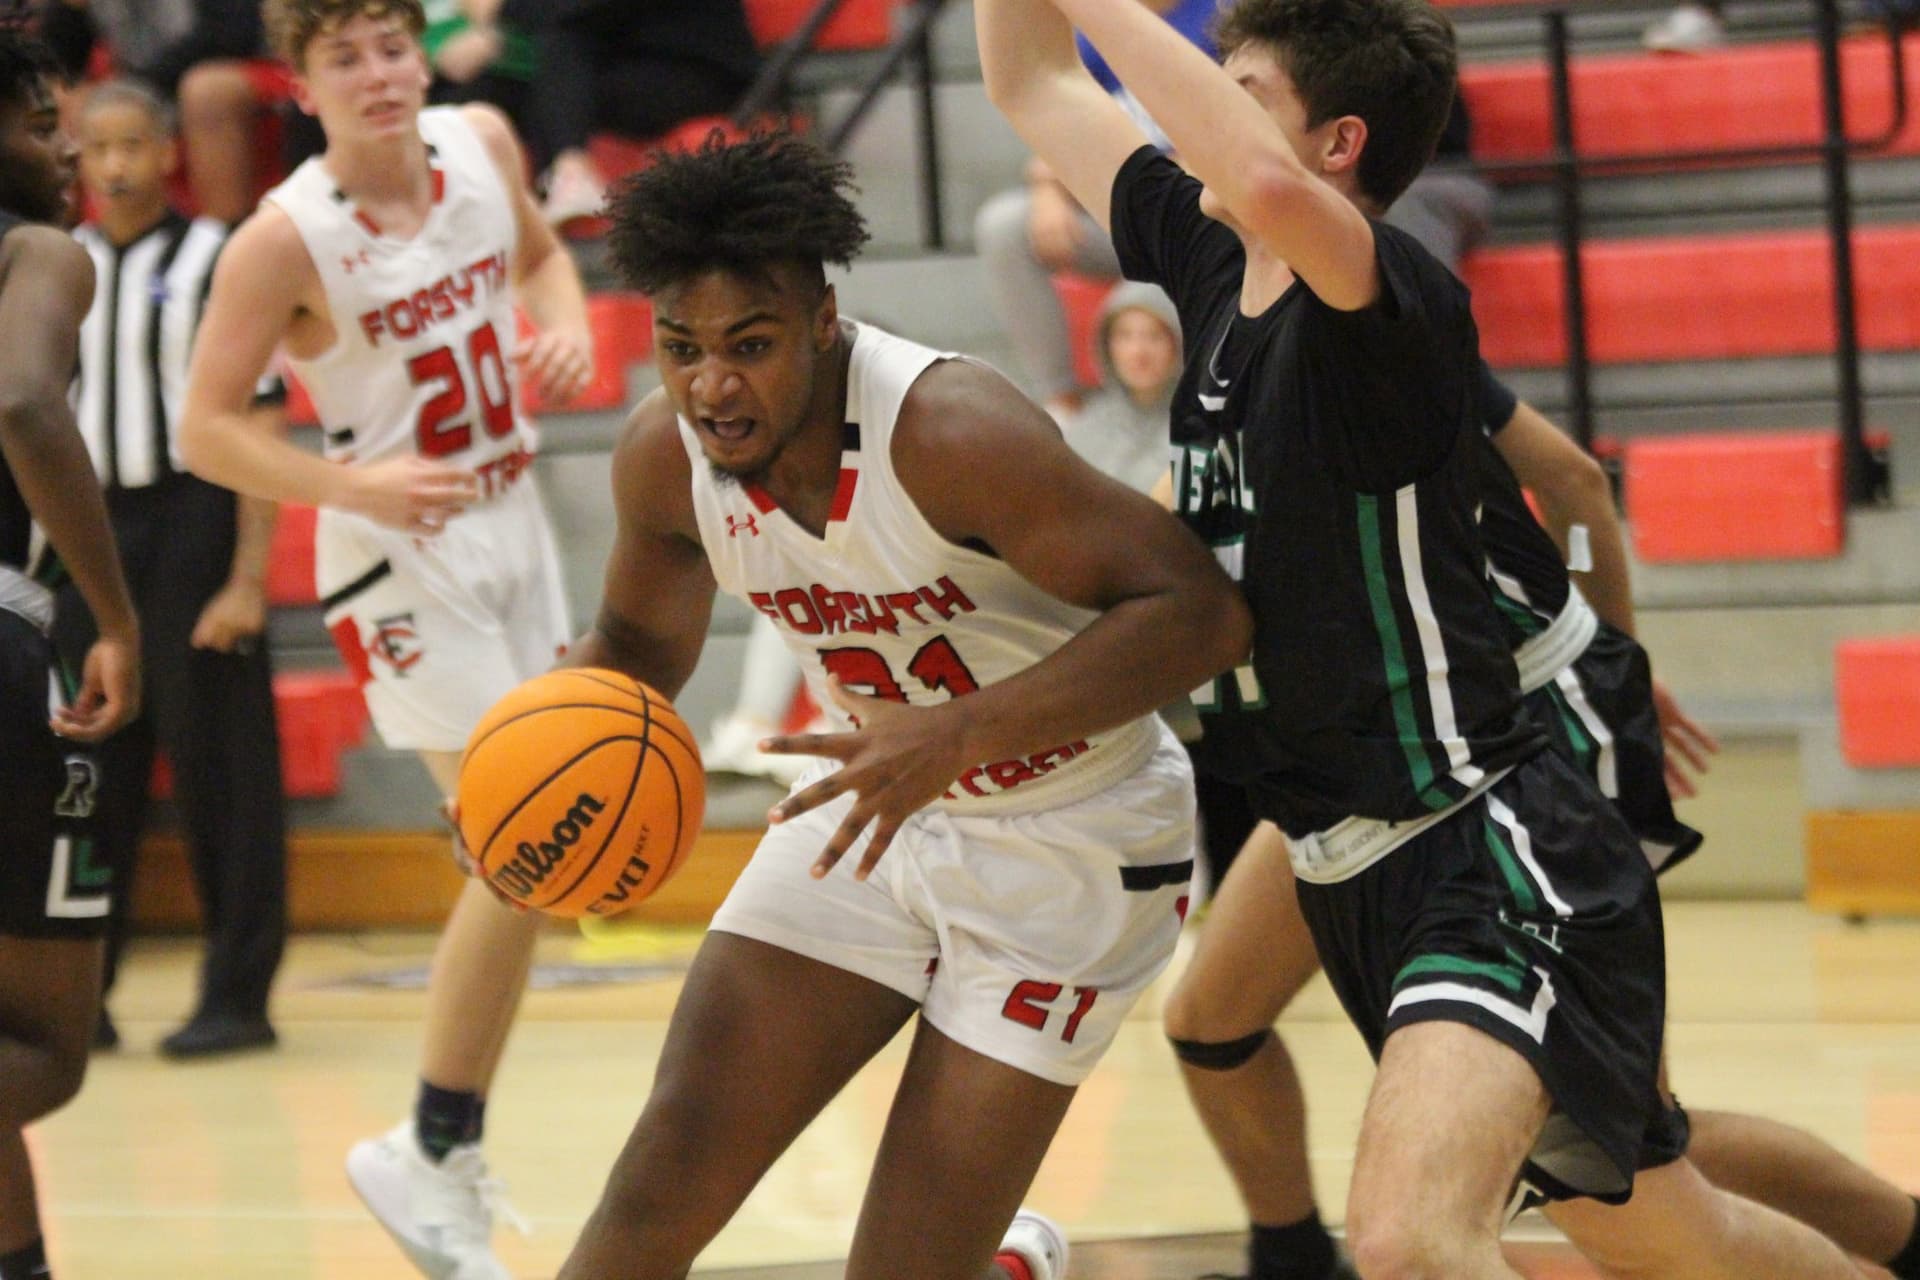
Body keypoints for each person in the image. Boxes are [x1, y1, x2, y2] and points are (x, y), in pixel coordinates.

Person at [977, 0, 1866, 1275]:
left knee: (1411, 1243)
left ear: (1340, 145)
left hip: (1484, 844)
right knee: (1676, 1228)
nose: (1198, 120)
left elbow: (1266, 177)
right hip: (1348, 855)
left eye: (1240, 89)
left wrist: (1617, 656)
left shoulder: (1385, 304)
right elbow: (1031, 78)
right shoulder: (1210, 262)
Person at [544, 131, 1249, 1280]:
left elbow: (1203, 615)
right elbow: (631, 643)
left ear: (823, 320)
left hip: (1071, 840)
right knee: (650, 1197)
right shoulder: (663, 458)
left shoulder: (952, 431)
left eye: (750, 345)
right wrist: (537, 766)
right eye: (682, 349)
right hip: (870, 810)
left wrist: (963, 730)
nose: (711, 386)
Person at [1169, 371, 1920, 1280]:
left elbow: (1573, 486)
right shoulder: (1229, 343)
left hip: (1520, 734)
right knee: (1212, 1019)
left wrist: (1589, 627)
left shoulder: (1364, 317)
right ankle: (1289, 1254)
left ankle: (1903, 1237)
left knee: (1629, 1157)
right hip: (1373, 764)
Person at [177, 1, 592, 1275]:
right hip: (395, 553)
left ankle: (440, 1153)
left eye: (392, 46)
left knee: (530, 860)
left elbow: (539, 259)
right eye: (342, 56)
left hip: (516, 517)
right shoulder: (281, 237)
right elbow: (206, 427)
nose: (377, 75)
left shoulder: (480, 139)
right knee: (525, 843)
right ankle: (430, 1145)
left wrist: (564, 318)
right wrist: (350, 487)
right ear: (298, 84)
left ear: (424, 53)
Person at [55, 77, 289, 1059]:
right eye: (96, 147)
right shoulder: (51, 263)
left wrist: (247, 578)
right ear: (75, 156)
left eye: (133, 145)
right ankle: (79, 995)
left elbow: (262, 416)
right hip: (86, 529)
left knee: (221, 770)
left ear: (166, 152)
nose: (115, 165)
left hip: (194, 519)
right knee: (81, 769)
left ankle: (237, 993)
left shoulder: (213, 258)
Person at [0, 25, 143, 1280]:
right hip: (7, 641)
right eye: (45, 126)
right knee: (40, 1051)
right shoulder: (35, 250)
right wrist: (114, 611)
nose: (68, 154)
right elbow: (26, 404)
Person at [972, 0, 1214, 421]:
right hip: (1124, 213)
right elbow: (1060, 125)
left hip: (1200, 223)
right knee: (1005, 225)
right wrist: (1048, 189)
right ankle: (1064, 407)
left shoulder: (1222, 19)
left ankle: (1200, 412)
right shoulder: (1103, 25)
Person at [498, 0, 761, 226]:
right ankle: (562, 178)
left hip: (704, 71)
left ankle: (570, 171)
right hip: (634, 64)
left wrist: (501, 9)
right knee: (520, 76)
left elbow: (572, 11)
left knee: (557, 55)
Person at [1061, 280, 1181, 495]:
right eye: (1124, 336)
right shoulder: (1083, 433)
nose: (1138, 352)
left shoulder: (1206, 440)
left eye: (1154, 336)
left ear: (1178, 345)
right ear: (1107, 346)